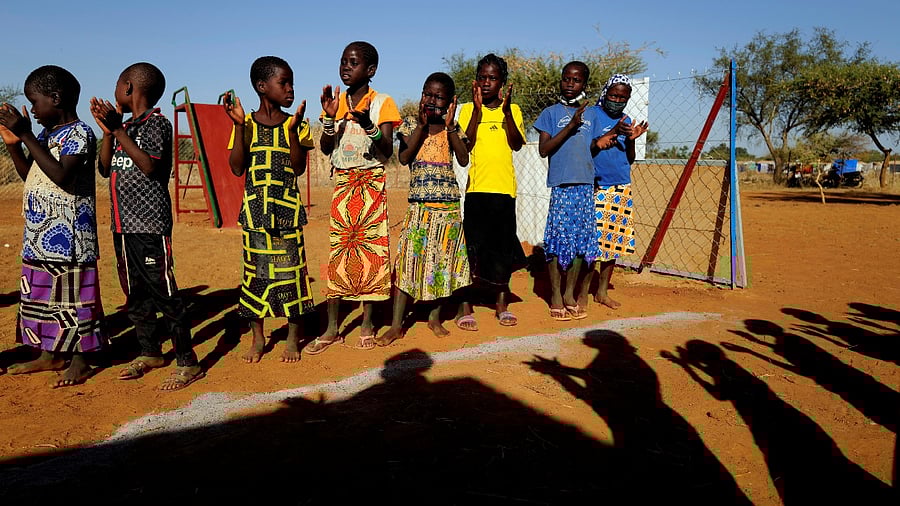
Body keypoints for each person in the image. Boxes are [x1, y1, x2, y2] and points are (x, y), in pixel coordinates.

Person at [90, 62, 204, 390]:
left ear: (128, 88)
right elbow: (103, 167)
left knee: (164, 293)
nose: (114, 92)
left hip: (149, 225)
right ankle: (150, 351)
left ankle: (188, 362)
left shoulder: (157, 124)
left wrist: (120, 130)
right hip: (122, 227)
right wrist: (109, 131)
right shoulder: (125, 126)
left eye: (117, 85)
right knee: (135, 293)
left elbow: (149, 166)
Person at [0, 65, 106, 388]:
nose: (32, 109)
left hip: (71, 237)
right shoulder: (46, 135)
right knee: (43, 298)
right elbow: (33, 174)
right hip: (38, 235)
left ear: (56, 99)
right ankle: (50, 353)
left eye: (36, 101)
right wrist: (14, 144)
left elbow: (62, 176)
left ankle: (80, 359)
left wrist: (28, 135)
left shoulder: (80, 134)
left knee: (73, 299)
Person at [305, 41, 401, 354]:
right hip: (344, 184)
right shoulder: (335, 101)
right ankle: (333, 328)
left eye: (354, 62)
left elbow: (387, 150)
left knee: (372, 254)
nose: (346, 67)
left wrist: (368, 125)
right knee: (339, 254)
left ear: (370, 70)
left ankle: (367, 323)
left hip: (371, 183)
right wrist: (330, 119)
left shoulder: (383, 102)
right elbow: (326, 147)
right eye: (343, 61)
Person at [222, 56, 316, 363]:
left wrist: (292, 131)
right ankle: (258, 337)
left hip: (287, 212)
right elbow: (237, 167)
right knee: (256, 275)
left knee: (292, 274)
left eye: (291, 83)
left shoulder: (296, 123)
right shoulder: (245, 123)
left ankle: (292, 337)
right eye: (283, 82)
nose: (290, 89)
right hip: (255, 213)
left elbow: (298, 167)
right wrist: (238, 126)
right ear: (263, 87)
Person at [376, 72, 472, 346]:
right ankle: (396, 325)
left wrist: (451, 126)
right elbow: (404, 157)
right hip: (419, 208)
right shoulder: (409, 125)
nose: (431, 100)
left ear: (451, 101)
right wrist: (420, 126)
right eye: (426, 94)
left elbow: (463, 159)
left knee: (441, 264)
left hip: (447, 209)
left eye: (438, 96)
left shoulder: (452, 127)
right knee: (408, 263)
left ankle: (434, 317)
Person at [457, 53, 527, 328]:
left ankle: (501, 304)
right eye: (483, 78)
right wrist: (476, 111)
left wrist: (507, 111)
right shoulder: (466, 110)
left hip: (503, 190)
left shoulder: (514, 110)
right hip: (477, 190)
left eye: (493, 78)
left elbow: (517, 144)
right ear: (476, 81)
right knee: (471, 249)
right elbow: (467, 144)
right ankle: (465, 305)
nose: (487, 83)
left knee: (501, 249)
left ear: (502, 82)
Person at [533, 61, 606, 321]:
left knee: (579, 244)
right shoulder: (550, 113)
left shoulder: (594, 114)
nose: (569, 84)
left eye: (575, 80)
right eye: (566, 79)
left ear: (584, 84)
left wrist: (607, 140)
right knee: (556, 242)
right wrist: (570, 126)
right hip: (562, 186)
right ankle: (554, 294)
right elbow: (544, 149)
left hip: (585, 185)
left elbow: (592, 147)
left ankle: (569, 293)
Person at [591, 74, 648, 309]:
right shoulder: (592, 115)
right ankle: (581, 290)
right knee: (590, 243)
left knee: (613, 242)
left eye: (622, 97)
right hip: (595, 184)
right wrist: (611, 133)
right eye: (613, 95)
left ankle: (602, 291)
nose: (617, 100)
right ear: (605, 93)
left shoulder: (626, 119)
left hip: (620, 185)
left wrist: (631, 139)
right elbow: (588, 147)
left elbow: (629, 158)